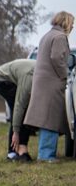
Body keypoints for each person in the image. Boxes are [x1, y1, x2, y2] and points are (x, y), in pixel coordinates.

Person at [23, 11, 74, 162]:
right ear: (66, 22)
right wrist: (64, 75)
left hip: (43, 83)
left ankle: (44, 153)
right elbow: (57, 58)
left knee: (46, 118)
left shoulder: (48, 35)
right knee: (50, 119)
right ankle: (46, 156)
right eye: (72, 23)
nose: (73, 27)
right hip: (51, 84)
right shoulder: (60, 37)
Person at [0, 59, 36, 161]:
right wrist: (16, 132)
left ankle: (20, 149)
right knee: (21, 111)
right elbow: (19, 106)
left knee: (26, 110)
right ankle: (14, 152)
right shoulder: (29, 79)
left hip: (16, 76)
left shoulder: (43, 75)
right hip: (3, 80)